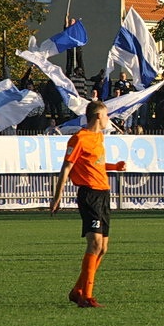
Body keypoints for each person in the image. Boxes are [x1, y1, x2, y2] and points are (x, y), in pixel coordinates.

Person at [50, 100, 126, 308]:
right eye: (107, 115)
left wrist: (114, 166)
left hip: (104, 194)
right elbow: (66, 168)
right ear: (98, 116)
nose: (108, 118)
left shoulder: (99, 137)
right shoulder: (79, 139)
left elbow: (96, 164)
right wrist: (57, 197)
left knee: (103, 248)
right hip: (89, 195)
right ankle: (86, 297)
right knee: (94, 243)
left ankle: (77, 291)